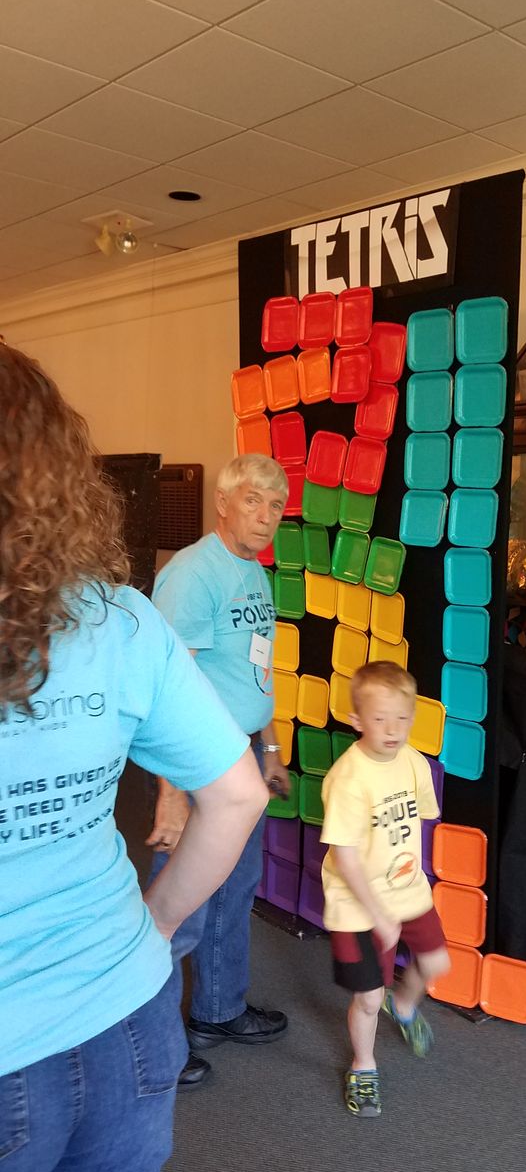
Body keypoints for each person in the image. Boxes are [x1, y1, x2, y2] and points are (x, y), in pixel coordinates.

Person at [0, 342, 269, 1172]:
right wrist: (152, 923)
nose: (268, 512)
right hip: (124, 1007)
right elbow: (233, 796)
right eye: (256, 497)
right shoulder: (122, 614)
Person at [147, 452, 291, 1090]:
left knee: (235, 892)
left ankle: (217, 1012)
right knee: (181, 907)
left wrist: (270, 751)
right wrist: (171, 796)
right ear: (224, 504)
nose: (266, 516)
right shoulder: (191, 574)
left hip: (242, 761)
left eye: (277, 505)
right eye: (254, 501)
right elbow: (165, 693)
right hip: (198, 761)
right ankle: (155, 1046)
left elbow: (254, 672)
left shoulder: (254, 572)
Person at [320, 661, 451, 1117]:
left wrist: (409, 884)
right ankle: (363, 1065)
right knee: (368, 997)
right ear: (357, 720)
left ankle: (407, 1006)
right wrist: (378, 914)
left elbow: (417, 822)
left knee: (436, 963)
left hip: (405, 890)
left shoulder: (413, 762)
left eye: (403, 717)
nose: (393, 729)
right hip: (355, 904)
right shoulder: (348, 779)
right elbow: (345, 857)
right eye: (380, 719)